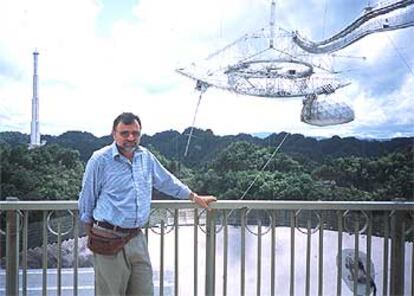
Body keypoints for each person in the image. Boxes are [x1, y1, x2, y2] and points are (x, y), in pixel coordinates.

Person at [78, 112, 216, 295]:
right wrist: (92, 233)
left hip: (136, 238)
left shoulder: (145, 157)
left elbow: (166, 181)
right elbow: (87, 199)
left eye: (135, 133)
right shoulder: (99, 160)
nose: (130, 138)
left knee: (144, 291)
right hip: (107, 239)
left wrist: (193, 197)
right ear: (113, 134)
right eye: (124, 133)